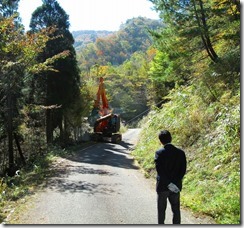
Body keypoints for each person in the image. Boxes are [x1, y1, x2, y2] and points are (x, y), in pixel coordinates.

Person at [154, 130, 187, 224]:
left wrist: (168, 183)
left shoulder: (159, 153)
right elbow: (183, 170)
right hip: (176, 186)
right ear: (171, 138)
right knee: (176, 210)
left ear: (160, 141)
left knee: (161, 211)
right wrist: (174, 183)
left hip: (163, 187)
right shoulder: (181, 153)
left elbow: (160, 171)